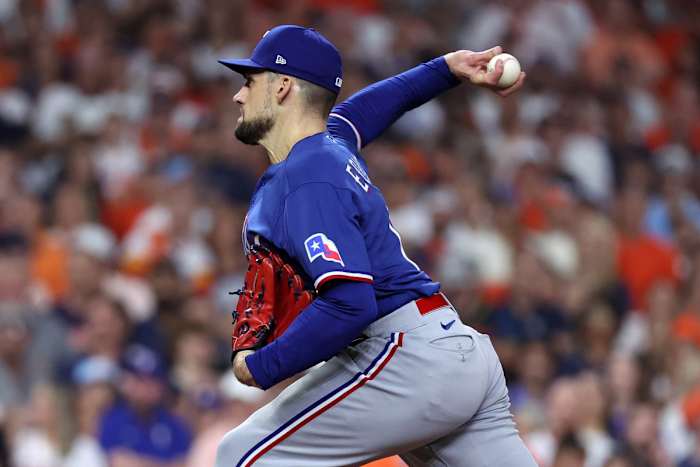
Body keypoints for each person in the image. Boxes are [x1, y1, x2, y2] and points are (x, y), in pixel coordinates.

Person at [215, 24, 535, 466]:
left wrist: (262, 366)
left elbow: (350, 302)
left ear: (283, 86)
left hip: (406, 358)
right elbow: (367, 110)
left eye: (250, 82)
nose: (239, 95)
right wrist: (445, 69)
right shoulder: (330, 147)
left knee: (240, 456)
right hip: (454, 350)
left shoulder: (306, 176)